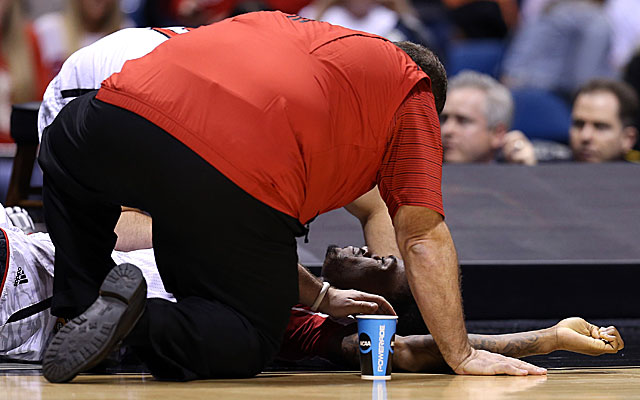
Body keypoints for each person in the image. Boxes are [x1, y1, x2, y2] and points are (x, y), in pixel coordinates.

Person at [38, 11, 541, 383]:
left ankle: (78, 307)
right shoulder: (412, 92)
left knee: (72, 169)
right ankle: (139, 322)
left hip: (90, 116)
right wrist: (460, 352)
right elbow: (422, 235)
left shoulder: (303, 31)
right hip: (224, 164)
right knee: (248, 334)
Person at [0, 207, 624, 372]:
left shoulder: (276, 314)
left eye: (377, 264)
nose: (359, 253)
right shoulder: (271, 262)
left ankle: (121, 321)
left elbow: (399, 352)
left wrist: (545, 339)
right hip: (54, 257)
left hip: (44, 306)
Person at [503, 79, 639, 164]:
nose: (585, 136)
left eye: (600, 127)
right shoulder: (544, 165)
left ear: (628, 138)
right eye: (578, 124)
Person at [440, 70, 548, 165]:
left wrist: (526, 172)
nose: (446, 130)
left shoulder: (512, 176)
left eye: (463, 121)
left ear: (498, 133)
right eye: (443, 119)